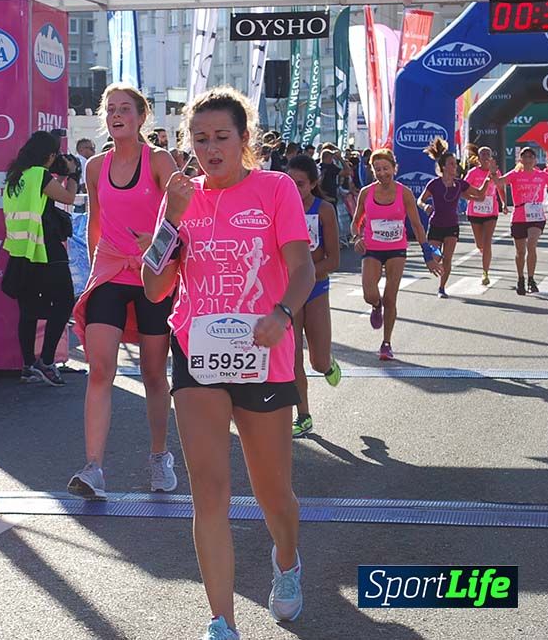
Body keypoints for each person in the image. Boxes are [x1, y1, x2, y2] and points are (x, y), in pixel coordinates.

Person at [142, 86, 315, 640]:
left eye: (222, 137)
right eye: (200, 139)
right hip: (197, 353)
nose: (211, 149)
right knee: (208, 488)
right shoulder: (181, 196)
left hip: (264, 353)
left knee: (271, 492)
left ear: (245, 140)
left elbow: (303, 267)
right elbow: (152, 287)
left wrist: (283, 314)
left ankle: (286, 562)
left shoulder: (275, 188)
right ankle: (222, 620)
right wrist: (171, 219)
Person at [69, 83, 179, 499]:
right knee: (101, 370)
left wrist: (154, 248)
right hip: (111, 273)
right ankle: (94, 466)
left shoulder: (160, 161)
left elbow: (180, 218)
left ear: (141, 117)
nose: (116, 115)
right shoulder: (95, 166)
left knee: (153, 373)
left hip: (152, 274)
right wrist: (94, 272)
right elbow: (95, 223)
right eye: (110, 109)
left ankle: (158, 456)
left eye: (124, 109)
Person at [1, 131, 78, 386]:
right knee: (65, 302)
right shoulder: (39, 175)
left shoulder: (15, 177)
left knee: (29, 312)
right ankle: (46, 361)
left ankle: (28, 366)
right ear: (50, 155)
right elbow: (68, 198)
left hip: (21, 252)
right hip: (46, 249)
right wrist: (72, 174)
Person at [352, 149, 442, 361]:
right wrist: (357, 238)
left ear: (395, 168)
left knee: (390, 297)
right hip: (372, 248)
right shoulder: (366, 193)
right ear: (373, 171)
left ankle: (386, 343)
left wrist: (427, 255)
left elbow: (418, 226)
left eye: (386, 168)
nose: (382, 173)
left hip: (396, 249)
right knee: (369, 293)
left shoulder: (404, 193)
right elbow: (356, 223)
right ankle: (376, 306)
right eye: (378, 170)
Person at [286, 155, 341, 438]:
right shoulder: (279, 209)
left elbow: (333, 260)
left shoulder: (324, 210)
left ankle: (329, 363)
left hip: (316, 287)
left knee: (317, 362)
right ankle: (303, 415)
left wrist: (306, 276)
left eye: (301, 184)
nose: (295, 190)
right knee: (292, 358)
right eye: (290, 183)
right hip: (288, 292)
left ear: (313, 183)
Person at [417, 138, 493, 298]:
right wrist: (425, 207)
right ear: (444, 167)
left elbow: (479, 193)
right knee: (434, 257)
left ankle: (442, 288)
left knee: (447, 259)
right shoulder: (434, 184)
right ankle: (437, 266)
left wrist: (488, 179)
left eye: (455, 164)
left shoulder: (459, 184)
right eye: (452, 164)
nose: (455, 166)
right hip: (436, 225)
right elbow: (420, 200)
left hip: (452, 227)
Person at [492, 147, 548, 295]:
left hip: (537, 216)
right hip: (519, 216)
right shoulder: (515, 175)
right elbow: (499, 182)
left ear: (535, 160)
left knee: (531, 244)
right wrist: (493, 172)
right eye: (525, 157)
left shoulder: (542, 175)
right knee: (520, 251)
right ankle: (521, 278)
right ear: (520, 160)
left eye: (530, 157)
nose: (527, 159)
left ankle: (531, 279)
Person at [463, 146, 508, 285]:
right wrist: (474, 198)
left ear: (490, 157)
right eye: (482, 154)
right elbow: (463, 189)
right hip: (475, 211)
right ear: (478, 157)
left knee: (487, 242)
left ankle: (485, 272)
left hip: (491, 211)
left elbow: (500, 188)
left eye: (487, 154)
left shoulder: (495, 172)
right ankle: (484, 253)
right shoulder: (472, 172)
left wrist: (504, 203)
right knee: (480, 244)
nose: (485, 156)